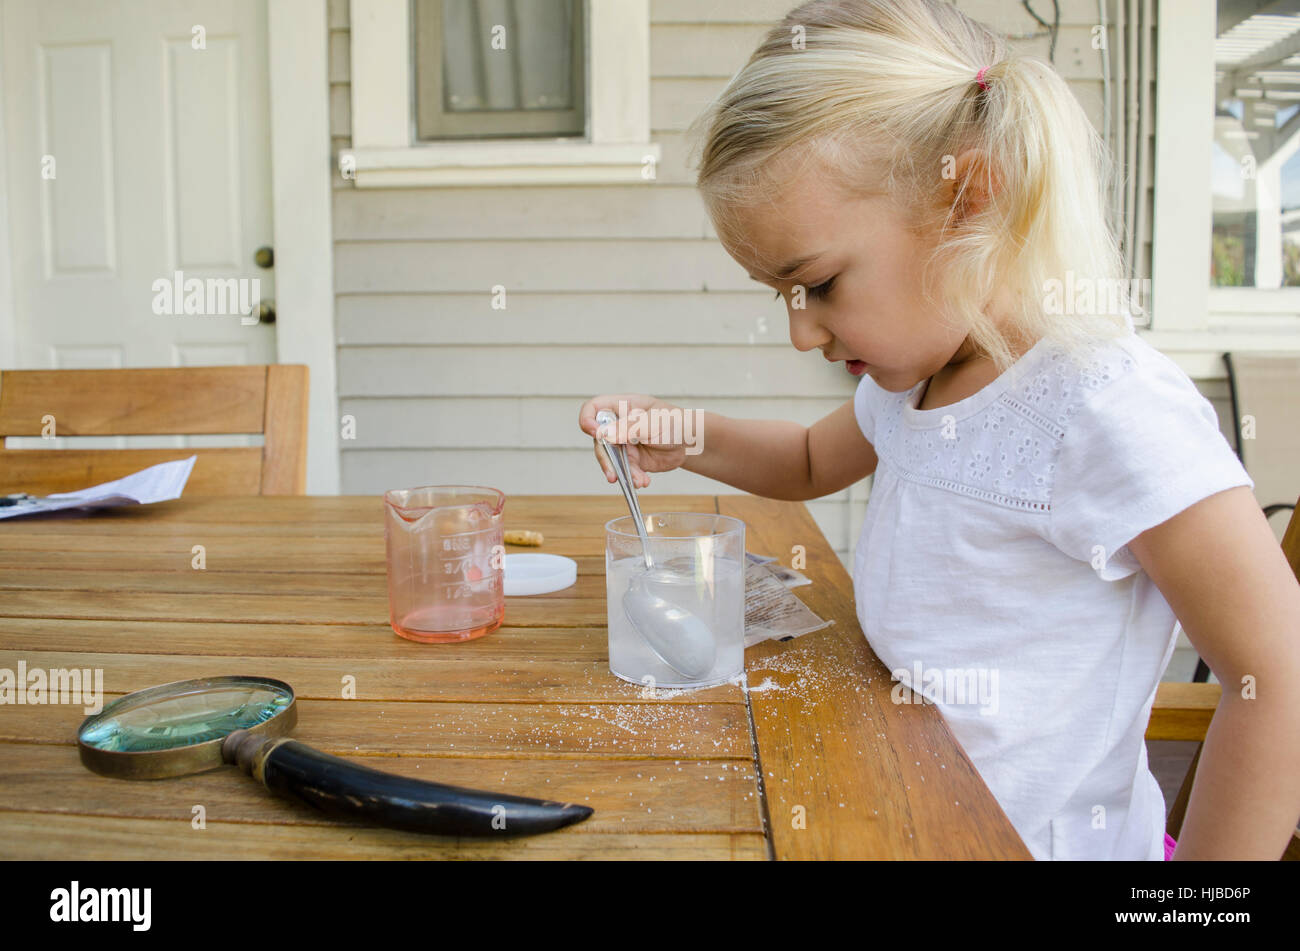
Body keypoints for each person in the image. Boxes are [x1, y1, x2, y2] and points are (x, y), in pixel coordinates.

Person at [578, 0, 1300, 860]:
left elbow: (1279, 674)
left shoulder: (1105, 406)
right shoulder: (916, 378)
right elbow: (810, 459)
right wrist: (683, 432)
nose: (802, 332)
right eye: (781, 296)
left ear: (970, 200)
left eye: (821, 284)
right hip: (894, 803)